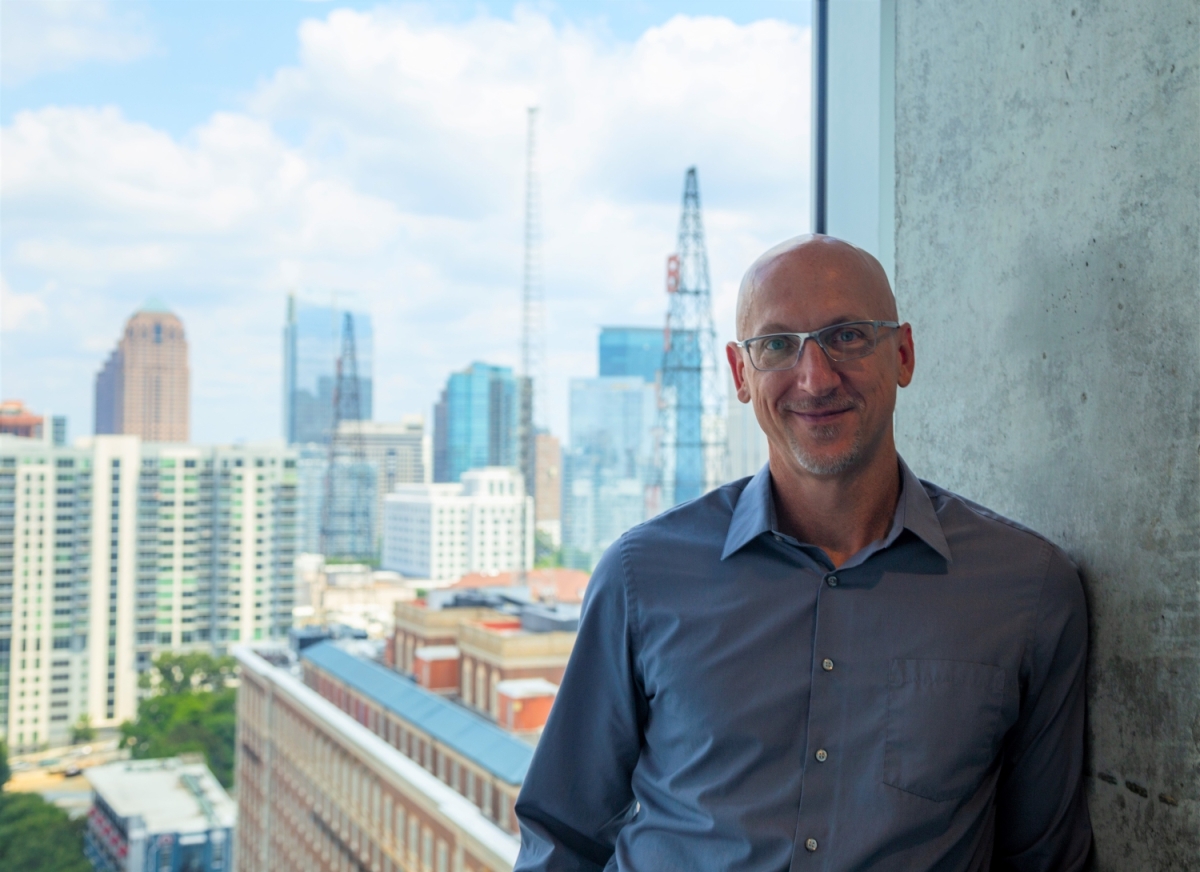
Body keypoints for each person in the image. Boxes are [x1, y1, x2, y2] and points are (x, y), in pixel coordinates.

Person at [514, 235, 1091, 871]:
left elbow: (1046, 861)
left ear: (902, 354)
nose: (815, 379)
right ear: (741, 374)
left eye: (847, 336)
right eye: (777, 345)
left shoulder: (1027, 591)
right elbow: (561, 837)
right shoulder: (641, 575)